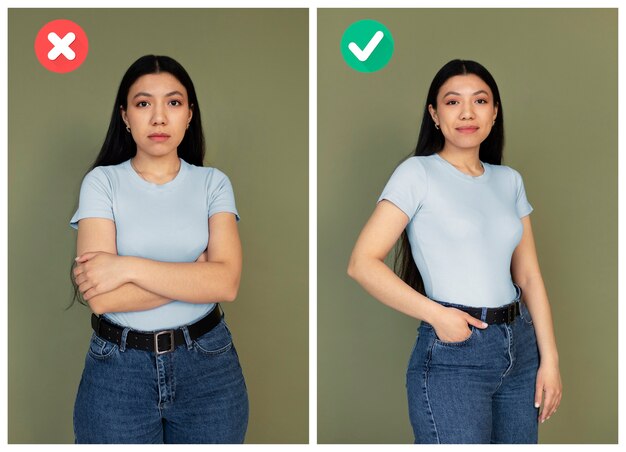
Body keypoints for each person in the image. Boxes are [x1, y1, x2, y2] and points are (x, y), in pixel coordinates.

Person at [347, 59, 562, 444]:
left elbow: (529, 276)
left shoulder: (509, 181)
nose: (467, 112)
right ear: (434, 114)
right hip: (455, 355)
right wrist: (439, 317)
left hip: (521, 348)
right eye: (452, 102)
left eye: (480, 101)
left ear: (495, 113)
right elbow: (362, 263)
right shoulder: (417, 174)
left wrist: (550, 359)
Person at [68, 55, 248, 444]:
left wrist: (126, 265)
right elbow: (102, 298)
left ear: (189, 115)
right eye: (143, 103)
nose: (159, 117)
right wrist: (195, 275)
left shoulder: (213, 184)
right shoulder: (101, 184)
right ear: (125, 116)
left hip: (208, 366)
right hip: (118, 371)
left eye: (174, 102)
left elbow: (226, 284)